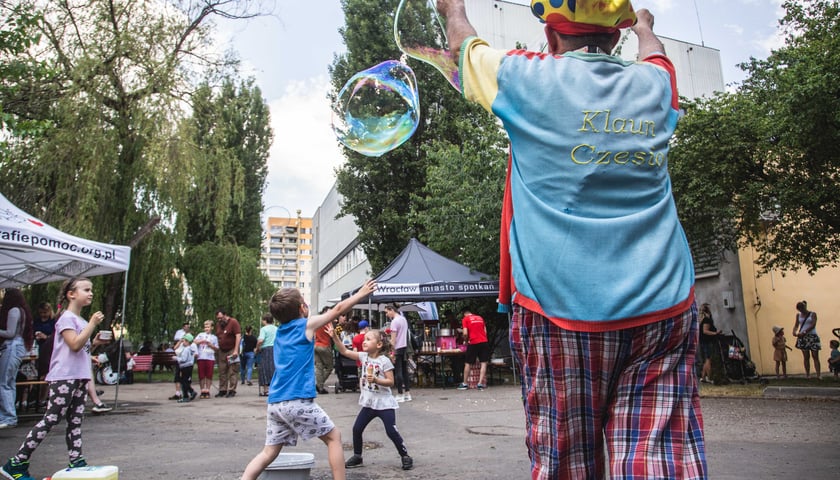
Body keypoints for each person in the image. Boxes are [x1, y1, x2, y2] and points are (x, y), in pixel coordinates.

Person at [435, 1, 706, 477]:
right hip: (662, 307)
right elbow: (656, 53)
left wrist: (452, 7)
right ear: (616, 39)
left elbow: (462, 47)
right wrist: (645, 26)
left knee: (566, 463)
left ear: (553, 37)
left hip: (557, 311)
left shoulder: (526, 78)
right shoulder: (656, 85)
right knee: (657, 461)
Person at [240, 279, 377, 480]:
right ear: (302, 307)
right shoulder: (306, 325)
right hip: (296, 401)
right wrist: (361, 293)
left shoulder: (279, 333)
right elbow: (337, 310)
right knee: (334, 437)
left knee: (269, 452)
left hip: (275, 402)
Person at [1, 277, 107, 479]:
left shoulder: (81, 321)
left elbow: (80, 348)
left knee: (75, 421)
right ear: (71, 294)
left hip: (80, 376)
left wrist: (93, 346)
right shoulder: (67, 318)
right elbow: (74, 344)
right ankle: (16, 462)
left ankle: (77, 461)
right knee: (51, 418)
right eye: (86, 289)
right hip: (64, 377)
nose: (91, 293)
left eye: (91, 289)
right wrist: (92, 324)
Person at [329, 325, 413, 471]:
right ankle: (357, 456)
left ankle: (405, 455)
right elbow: (344, 350)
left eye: (368, 339)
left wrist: (376, 380)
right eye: (364, 339)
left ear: (379, 345)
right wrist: (334, 336)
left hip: (384, 403)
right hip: (369, 402)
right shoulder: (363, 356)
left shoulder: (384, 361)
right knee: (357, 429)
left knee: (391, 430)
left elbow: (391, 382)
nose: (364, 342)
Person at [0, 288, 35, 429]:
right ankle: (10, 414)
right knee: (10, 381)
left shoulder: (13, 310)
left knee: (3, 382)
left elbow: (10, 333)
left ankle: (8, 416)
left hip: (12, 347)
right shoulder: (22, 310)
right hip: (18, 346)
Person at [456, 308, 490, 390]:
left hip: (473, 342)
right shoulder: (480, 318)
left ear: (464, 314)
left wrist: (466, 341)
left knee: (468, 363)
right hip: (484, 341)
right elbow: (485, 331)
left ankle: (464, 383)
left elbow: (465, 333)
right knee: (483, 363)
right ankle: (480, 383)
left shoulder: (465, 319)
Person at [384, 305, 411, 402]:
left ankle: (400, 393)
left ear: (392, 310)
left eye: (387, 312)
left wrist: (391, 352)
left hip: (397, 348)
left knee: (398, 371)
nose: (386, 315)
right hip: (404, 347)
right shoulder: (403, 319)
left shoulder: (394, 322)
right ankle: (407, 392)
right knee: (405, 370)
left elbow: (393, 340)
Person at [215, 309, 242, 397]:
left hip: (231, 349)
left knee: (232, 370)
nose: (219, 320)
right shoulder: (219, 325)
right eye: (218, 319)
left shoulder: (233, 322)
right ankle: (222, 389)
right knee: (222, 371)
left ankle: (232, 389)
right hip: (222, 350)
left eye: (220, 318)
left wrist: (236, 350)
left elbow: (238, 336)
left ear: (225, 315)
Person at [792, 300, 821, 379]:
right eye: (799, 309)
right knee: (806, 356)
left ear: (804, 307)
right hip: (802, 337)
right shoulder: (798, 315)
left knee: (815, 356)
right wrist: (794, 331)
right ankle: (808, 374)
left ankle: (818, 374)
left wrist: (804, 332)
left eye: (802, 308)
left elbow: (813, 324)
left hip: (812, 336)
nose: (801, 310)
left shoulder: (812, 314)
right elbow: (796, 325)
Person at [194, 320, 219, 399]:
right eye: (205, 327)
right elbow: (194, 341)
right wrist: (201, 341)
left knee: (209, 375)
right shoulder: (200, 335)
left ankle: (207, 390)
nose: (206, 328)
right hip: (201, 357)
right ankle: (202, 390)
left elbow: (216, 348)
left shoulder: (214, 337)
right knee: (201, 375)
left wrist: (211, 345)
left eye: (208, 327)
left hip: (210, 357)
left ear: (212, 328)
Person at [699, 304, 722, 384]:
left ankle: (703, 377)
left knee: (706, 359)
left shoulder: (702, 320)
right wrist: (715, 333)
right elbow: (705, 331)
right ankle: (709, 377)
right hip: (707, 341)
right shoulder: (706, 320)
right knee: (708, 359)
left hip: (702, 341)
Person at [314, 307, 334, 395]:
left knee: (319, 367)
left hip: (316, 345)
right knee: (329, 367)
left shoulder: (317, 321)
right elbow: (333, 333)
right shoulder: (328, 322)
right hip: (325, 345)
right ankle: (319, 385)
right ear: (325, 312)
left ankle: (320, 386)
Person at [255, 314, 277, 397]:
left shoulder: (263, 329)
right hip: (275, 349)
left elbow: (261, 340)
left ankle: (266, 390)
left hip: (266, 349)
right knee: (273, 368)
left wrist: (257, 348)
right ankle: (274, 388)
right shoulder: (276, 329)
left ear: (265, 320)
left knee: (264, 368)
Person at [169, 321, 190, 400]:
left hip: (185, 359)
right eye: (185, 326)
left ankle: (187, 392)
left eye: (188, 326)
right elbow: (175, 345)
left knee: (185, 377)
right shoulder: (179, 333)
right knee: (177, 376)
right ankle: (178, 393)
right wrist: (180, 340)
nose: (187, 327)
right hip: (179, 355)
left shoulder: (190, 335)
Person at [175, 333, 197, 403]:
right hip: (188, 366)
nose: (183, 342)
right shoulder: (190, 349)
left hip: (185, 367)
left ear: (187, 342)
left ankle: (185, 396)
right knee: (185, 381)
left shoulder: (186, 349)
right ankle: (191, 391)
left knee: (184, 382)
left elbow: (183, 359)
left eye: (184, 341)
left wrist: (176, 358)